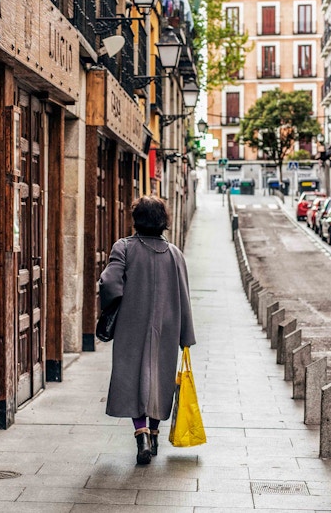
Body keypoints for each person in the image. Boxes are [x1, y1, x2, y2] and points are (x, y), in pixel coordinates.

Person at [99, 196, 196, 465]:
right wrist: (186, 335)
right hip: (167, 327)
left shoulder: (124, 247)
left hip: (132, 325)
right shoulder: (175, 254)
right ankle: (153, 432)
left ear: (136, 218)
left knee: (132, 377)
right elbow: (184, 296)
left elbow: (109, 283)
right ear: (163, 220)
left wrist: (112, 305)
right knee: (160, 379)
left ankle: (140, 433)